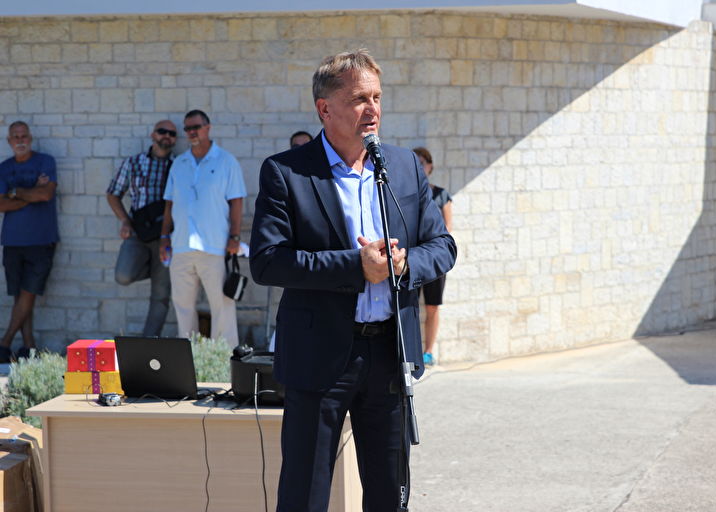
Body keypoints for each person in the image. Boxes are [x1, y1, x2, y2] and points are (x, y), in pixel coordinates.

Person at [250, 50, 456, 512]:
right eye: (359, 99)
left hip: (389, 354)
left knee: (389, 497)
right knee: (304, 496)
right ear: (325, 108)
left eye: (377, 97)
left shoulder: (403, 166)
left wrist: (404, 264)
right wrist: (354, 266)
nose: (373, 109)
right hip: (319, 358)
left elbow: (443, 247)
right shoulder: (286, 172)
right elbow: (267, 262)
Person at [159, 110, 246, 348]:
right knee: (183, 306)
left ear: (208, 128)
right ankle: (188, 359)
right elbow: (169, 203)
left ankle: (225, 358)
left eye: (196, 127)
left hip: (214, 245)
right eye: (187, 128)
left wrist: (235, 236)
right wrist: (164, 237)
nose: (192, 132)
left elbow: (236, 201)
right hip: (181, 245)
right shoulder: (179, 163)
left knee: (222, 305)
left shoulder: (226, 161)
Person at [106, 120, 176, 337]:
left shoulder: (179, 165)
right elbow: (113, 193)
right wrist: (125, 221)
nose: (166, 136)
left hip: (166, 237)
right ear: (153, 135)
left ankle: (149, 342)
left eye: (172, 133)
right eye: (162, 131)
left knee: (161, 295)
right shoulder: (133, 162)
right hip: (138, 232)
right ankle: (153, 269)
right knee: (123, 275)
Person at [0, 121, 58, 362]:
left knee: (29, 292)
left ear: (30, 138)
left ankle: (4, 344)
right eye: (15, 137)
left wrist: (15, 192)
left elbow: (46, 194)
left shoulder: (45, 161)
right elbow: (1, 204)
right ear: (9, 141)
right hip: (12, 239)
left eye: (24, 136)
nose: (20, 140)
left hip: (41, 238)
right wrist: (30, 193)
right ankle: (29, 348)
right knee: (20, 296)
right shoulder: (4, 168)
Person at [412, 147, 452, 366]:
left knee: (432, 306)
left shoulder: (441, 195)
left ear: (430, 167)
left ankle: (428, 351)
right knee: (409, 307)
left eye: (422, 163)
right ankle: (411, 352)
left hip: (434, 260)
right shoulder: (405, 194)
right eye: (415, 163)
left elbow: (447, 228)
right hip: (411, 258)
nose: (419, 167)